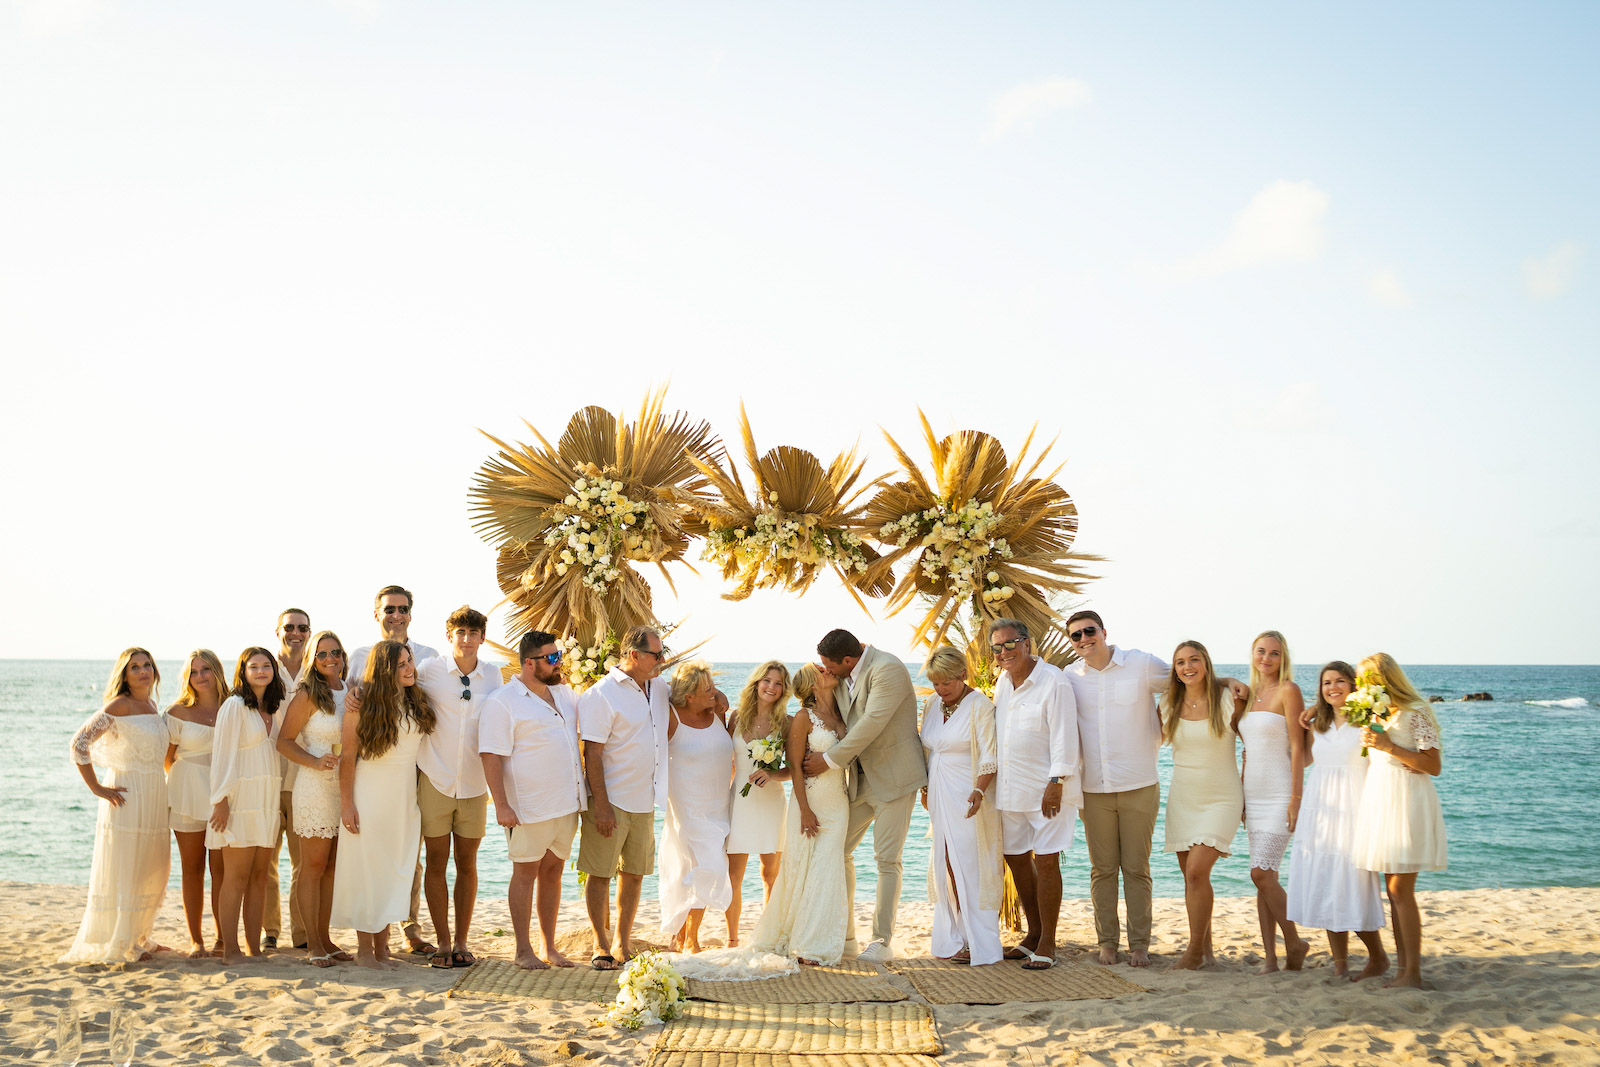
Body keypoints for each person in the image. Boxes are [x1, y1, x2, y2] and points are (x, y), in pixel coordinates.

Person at [1063, 610, 1247, 967]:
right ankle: (1107, 943)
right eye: (1076, 635)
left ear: (1104, 632)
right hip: (1093, 788)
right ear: (1071, 641)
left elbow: (1187, 678)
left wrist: (1226, 679)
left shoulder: (1141, 664)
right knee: (1102, 870)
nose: (1084, 639)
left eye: (1089, 631)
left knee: (1137, 868)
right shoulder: (1069, 677)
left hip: (1140, 784)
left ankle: (1139, 946)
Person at [804, 629, 927, 962]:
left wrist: (829, 760)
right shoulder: (842, 676)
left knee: (887, 860)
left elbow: (872, 721)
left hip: (895, 778)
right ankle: (846, 937)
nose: (827, 670)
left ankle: (881, 941)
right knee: (837, 850)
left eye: (830, 665)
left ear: (848, 660)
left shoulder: (888, 668)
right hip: (859, 780)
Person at [479, 631, 585, 970]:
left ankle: (549, 947)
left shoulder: (564, 694)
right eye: (551, 658)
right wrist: (501, 805)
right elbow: (490, 755)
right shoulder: (503, 701)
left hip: (567, 804)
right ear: (529, 663)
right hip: (528, 807)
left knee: (553, 873)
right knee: (525, 874)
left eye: (559, 656)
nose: (558, 663)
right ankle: (523, 950)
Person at [330, 640, 438, 970]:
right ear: (386, 669)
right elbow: (348, 757)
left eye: (410, 661)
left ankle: (382, 949)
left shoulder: (416, 699)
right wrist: (347, 805)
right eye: (402, 664)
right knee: (368, 870)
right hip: (370, 793)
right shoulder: (361, 704)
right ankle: (364, 951)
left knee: (392, 871)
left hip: (404, 797)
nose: (410, 668)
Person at [61, 648, 171, 964]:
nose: (143, 671)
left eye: (147, 665)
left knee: (151, 865)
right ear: (124, 674)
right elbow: (79, 743)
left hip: (154, 793)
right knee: (129, 866)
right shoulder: (119, 705)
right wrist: (96, 787)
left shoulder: (152, 705)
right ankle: (123, 942)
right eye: (135, 667)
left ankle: (140, 935)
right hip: (127, 794)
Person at [347, 585, 439, 956]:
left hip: (413, 771)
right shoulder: (359, 657)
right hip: (373, 771)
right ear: (377, 614)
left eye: (402, 609)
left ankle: (408, 927)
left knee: (407, 857)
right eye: (389, 609)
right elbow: (347, 704)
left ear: (410, 615)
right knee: (372, 856)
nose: (396, 615)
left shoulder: (429, 657)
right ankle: (369, 937)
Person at [1349, 652, 1447, 990]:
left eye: (1364, 679)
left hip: (1407, 802)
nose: (1360, 686)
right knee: (1393, 893)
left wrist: (1389, 746)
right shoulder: (1376, 714)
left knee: (1400, 890)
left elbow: (1433, 765)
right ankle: (1403, 970)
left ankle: (1412, 974)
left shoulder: (1415, 712)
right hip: (1381, 801)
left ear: (1383, 679)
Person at [1286, 661, 1388, 981]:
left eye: (1340, 681)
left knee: (1351, 885)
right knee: (1326, 884)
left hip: (1355, 810)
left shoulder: (1369, 720)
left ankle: (1378, 957)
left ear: (1354, 686)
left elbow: (1384, 759)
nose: (1333, 687)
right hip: (1320, 810)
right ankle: (1341, 964)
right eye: (1327, 682)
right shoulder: (1318, 724)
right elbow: (1302, 758)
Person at [577, 625, 671, 970]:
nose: (662, 660)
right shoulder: (600, 695)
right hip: (611, 801)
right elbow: (593, 753)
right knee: (599, 873)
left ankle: (622, 941)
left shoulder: (659, 688)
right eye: (656, 655)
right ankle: (600, 943)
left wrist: (718, 697)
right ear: (634, 655)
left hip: (645, 799)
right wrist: (601, 807)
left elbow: (693, 693)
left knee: (634, 874)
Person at [989, 619, 1080, 970]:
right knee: (1015, 857)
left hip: (1047, 790)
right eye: (997, 647)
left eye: (1010, 644)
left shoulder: (1054, 681)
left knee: (1046, 860)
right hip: (1010, 789)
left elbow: (1064, 735)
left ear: (1027, 643)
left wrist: (1057, 781)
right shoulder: (1002, 682)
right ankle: (1033, 933)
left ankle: (1048, 941)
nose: (1004, 652)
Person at [414, 605, 502, 969]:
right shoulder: (429, 670)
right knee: (435, 862)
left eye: (473, 633)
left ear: (482, 638)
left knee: (468, 863)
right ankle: (443, 941)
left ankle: (463, 940)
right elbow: (397, 692)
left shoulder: (493, 675)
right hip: (435, 778)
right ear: (449, 636)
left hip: (475, 784)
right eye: (460, 633)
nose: (466, 640)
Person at [753, 664, 852, 965]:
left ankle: (813, 943)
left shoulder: (843, 715)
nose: (829, 671)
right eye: (821, 670)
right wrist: (805, 811)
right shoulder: (803, 717)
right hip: (809, 804)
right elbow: (795, 767)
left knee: (826, 872)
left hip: (838, 804)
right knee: (800, 872)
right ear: (812, 684)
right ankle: (802, 944)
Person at [1159, 641, 1245, 971]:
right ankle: (1207, 952)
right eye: (1180, 662)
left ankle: (1193, 952)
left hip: (1223, 797)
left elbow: (1256, 740)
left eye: (1194, 660)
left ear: (1206, 663)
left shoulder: (1229, 698)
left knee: (1196, 871)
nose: (1187, 666)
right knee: (1192, 879)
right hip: (1183, 797)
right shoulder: (1167, 703)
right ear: (1175, 669)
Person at [919, 645, 1003, 966]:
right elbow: (927, 750)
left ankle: (979, 940)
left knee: (970, 864)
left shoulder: (979, 705)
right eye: (935, 683)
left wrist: (979, 790)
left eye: (947, 682)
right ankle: (956, 936)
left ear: (963, 675)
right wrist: (925, 788)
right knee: (946, 863)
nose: (941, 689)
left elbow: (990, 755)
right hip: (939, 793)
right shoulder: (931, 703)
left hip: (968, 794)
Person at [275, 630, 353, 968]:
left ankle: (326, 938)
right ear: (313, 660)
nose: (330, 659)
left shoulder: (350, 691)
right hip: (314, 787)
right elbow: (284, 741)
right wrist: (315, 761)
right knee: (313, 867)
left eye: (335, 652)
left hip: (343, 788)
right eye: (322, 654)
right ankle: (313, 945)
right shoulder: (307, 694)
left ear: (343, 656)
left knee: (333, 868)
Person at [1235, 630, 1311, 973]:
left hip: (1280, 793)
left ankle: (1295, 943)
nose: (1266, 658)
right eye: (1261, 651)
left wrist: (1296, 798)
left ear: (1283, 658)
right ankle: (1270, 958)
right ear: (1253, 654)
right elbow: (1248, 750)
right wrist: (1241, 794)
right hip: (1253, 794)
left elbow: (1297, 747)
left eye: (1274, 653)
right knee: (1263, 879)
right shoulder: (1250, 695)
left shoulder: (1288, 690)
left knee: (1261, 874)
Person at [208, 647, 286, 964]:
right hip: (239, 800)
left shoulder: (274, 707)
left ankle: (253, 948)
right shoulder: (234, 706)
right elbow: (222, 755)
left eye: (266, 665)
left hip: (266, 801)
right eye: (254, 666)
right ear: (243, 671)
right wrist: (221, 800)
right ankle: (230, 950)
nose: (261, 671)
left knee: (259, 878)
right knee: (236, 877)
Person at [660, 659, 735, 952]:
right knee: (693, 866)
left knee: (707, 866)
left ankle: (685, 937)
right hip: (686, 804)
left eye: (714, 686)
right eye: (708, 689)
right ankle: (687, 938)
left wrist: (717, 695)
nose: (714, 692)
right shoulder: (670, 717)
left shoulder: (717, 711)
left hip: (718, 803)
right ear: (689, 696)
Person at [164, 649, 228, 959]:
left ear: (217, 671)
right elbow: (166, 760)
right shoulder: (177, 713)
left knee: (221, 871)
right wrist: (189, 780)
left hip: (222, 797)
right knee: (192, 869)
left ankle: (222, 938)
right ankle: (196, 940)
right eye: (194, 671)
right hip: (186, 794)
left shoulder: (233, 707)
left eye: (206, 669)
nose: (200, 676)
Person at [724, 660, 792, 946]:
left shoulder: (786, 723)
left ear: (784, 690)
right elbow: (726, 761)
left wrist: (772, 773)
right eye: (767, 681)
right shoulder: (736, 717)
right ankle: (732, 939)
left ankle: (769, 937)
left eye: (778, 684)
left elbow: (794, 769)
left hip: (772, 803)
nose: (771, 687)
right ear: (756, 683)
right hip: (740, 803)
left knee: (771, 875)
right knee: (733, 875)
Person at [265, 608, 311, 950]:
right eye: (289, 627)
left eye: (302, 628)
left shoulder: (318, 668)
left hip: (304, 779)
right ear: (278, 631)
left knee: (303, 862)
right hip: (265, 776)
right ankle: (270, 930)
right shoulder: (264, 667)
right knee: (265, 861)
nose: (296, 633)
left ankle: (302, 932)